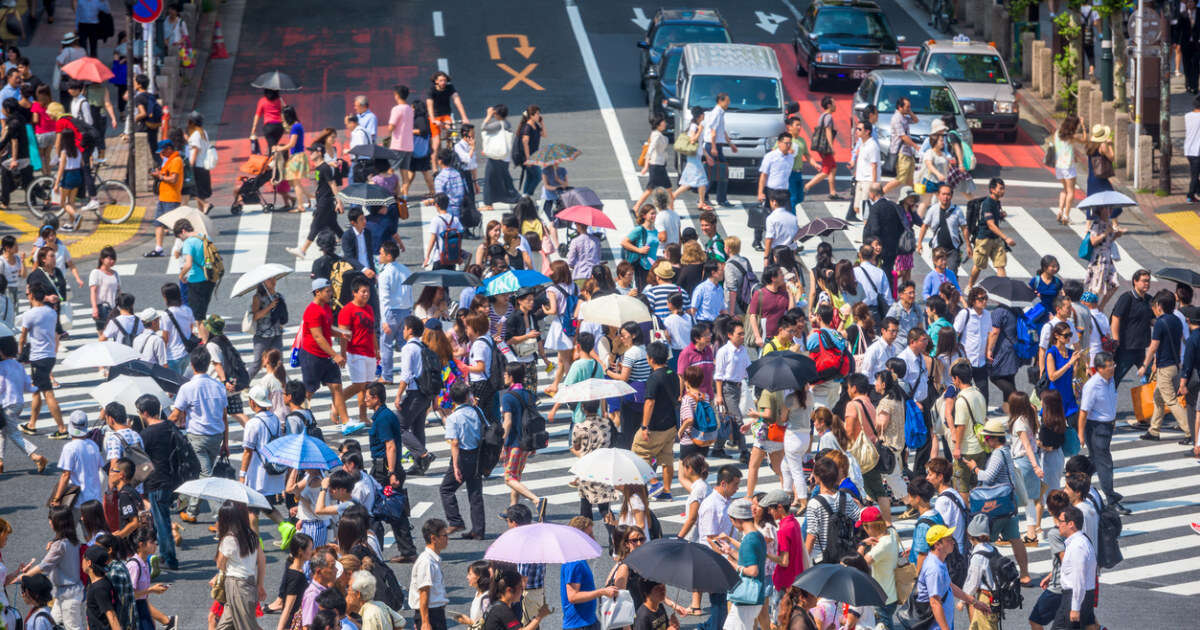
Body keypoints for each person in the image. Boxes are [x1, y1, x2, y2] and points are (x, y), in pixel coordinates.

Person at [170, 348, 229, 522]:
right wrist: (225, 442)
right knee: (205, 473)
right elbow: (224, 416)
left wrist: (161, 424)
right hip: (216, 435)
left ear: (192, 365)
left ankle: (220, 515)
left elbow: (175, 414)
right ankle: (192, 511)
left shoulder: (187, 388)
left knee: (205, 475)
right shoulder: (218, 386)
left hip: (196, 436)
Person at [1140, 290, 1192, 442]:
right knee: (1158, 397)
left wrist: (1145, 365)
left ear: (1159, 306)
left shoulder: (1160, 323)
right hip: (1174, 364)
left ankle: (1190, 431)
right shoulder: (1176, 320)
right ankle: (1154, 430)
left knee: (1171, 400)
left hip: (1165, 367)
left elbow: (1153, 346)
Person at [17, 284, 65, 438]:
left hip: (38, 357)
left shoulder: (30, 315)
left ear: (31, 296)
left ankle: (62, 428)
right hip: (49, 355)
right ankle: (32, 424)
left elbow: (23, 337)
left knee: (48, 393)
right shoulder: (51, 312)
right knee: (36, 391)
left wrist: (19, 353)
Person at [440, 381, 484, 540]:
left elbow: (455, 443)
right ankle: (478, 530)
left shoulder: (453, 418)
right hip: (478, 455)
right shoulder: (477, 411)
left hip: (463, 456)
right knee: (475, 493)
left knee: (446, 489)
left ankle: (455, 520)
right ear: (467, 396)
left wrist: (456, 466)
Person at [966, 178, 1015, 291]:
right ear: (992, 190)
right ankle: (970, 286)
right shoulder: (987, 203)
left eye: (1003, 188)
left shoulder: (997, 202)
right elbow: (991, 224)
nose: (1003, 191)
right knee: (979, 265)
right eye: (1000, 189)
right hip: (984, 239)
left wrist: (1001, 214)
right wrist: (1006, 238)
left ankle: (1003, 291)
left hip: (995, 239)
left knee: (1000, 265)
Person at [1053, 506, 1098, 629]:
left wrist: (1075, 607)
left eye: (1061, 521)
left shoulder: (1078, 546)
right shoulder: (1078, 541)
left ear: (1071, 524)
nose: (1058, 525)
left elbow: (1079, 578)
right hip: (1078, 596)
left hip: (1075, 597)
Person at [1111, 269, 1154, 386]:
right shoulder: (1126, 298)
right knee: (1115, 378)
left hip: (1142, 348)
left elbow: (1152, 319)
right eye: (1144, 281)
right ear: (1135, 281)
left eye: (1148, 281)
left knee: (1152, 377)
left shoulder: (1149, 300)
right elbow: (1116, 318)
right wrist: (1115, 339)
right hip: (1126, 348)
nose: (1147, 284)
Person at [917, 185, 969, 274]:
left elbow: (964, 228)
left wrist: (968, 245)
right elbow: (924, 226)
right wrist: (919, 243)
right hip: (937, 248)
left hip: (953, 248)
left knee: (952, 273)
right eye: (943, 194)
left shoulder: (957, 211)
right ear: (938, 195)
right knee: (939, 274)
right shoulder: (933, 209)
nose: (946, 197)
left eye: (948, 194)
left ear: (951, 196)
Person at [670, 107, 712, 211]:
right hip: (693, 158)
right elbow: (693, 140)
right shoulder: (694, 126)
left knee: (689, 182)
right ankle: (701, 202)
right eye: (703, 114)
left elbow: (699, 144)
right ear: (700, 115)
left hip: (696, 157)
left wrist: (707, 156)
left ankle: (674, 196)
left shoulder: (696, 125)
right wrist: (700, 130)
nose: (704, 115)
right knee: (701, 180)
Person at [486, 568, 554, 630]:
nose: (523, 590)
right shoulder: (503, 611)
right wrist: (540, 616)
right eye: (520, 587)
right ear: (509, 590)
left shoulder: (500, 607)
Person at [1052, 115, 1086, 224]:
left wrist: (1073, 155)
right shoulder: (1071, 136)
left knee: (1064, 190)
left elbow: (1062, 148)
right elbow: (1084, 140)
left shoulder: (1057, 133)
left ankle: (1060, 211)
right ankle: (1066, 215)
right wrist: (1083, 126)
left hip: (1059, 165)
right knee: (1071, 191)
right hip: (1068, 166)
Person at [805, 96, 840, 200]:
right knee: (825, 171)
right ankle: (807, 186)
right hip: (825, 147)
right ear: (829, 105)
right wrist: (831, 146)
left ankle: (832, 192)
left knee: (833, 168)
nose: (835, 105)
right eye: (834, 102)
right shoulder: (828, 117)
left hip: (821, 147)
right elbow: (828, 131)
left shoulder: (822, 116)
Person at [1085, 124, 1115, 195]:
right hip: (1100, 179)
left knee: (1095, 202)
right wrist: (1110, 145)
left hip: (1091, 178)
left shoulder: (1090, 144)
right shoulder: (1102, 145)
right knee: (1110, 201)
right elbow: (1112, 157)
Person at [1187, 96, 1200, 203]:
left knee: (1194, 174)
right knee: (1195, 175)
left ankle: (1196, 192)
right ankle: (1190, 195)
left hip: (1188, 150)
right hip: (1197, 151)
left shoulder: (1187, 116)